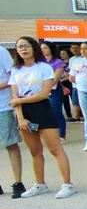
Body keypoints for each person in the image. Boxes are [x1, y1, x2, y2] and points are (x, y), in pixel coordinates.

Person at [9, 37, 76, 200]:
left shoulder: (44, 67)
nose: (23, 49)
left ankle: (67, 184)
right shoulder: (16, 70)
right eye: (20, 47)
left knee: (55, 149)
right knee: (35, 151)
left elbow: (44, 94)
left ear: (33, 48)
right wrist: (21, 117)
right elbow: (14, 96)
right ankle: (40, 184)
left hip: (42, 109)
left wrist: (18, 100)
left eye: (26, 46)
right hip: (23, 113)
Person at [0, 45, 25, 198]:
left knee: (10, 144)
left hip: (4, 107)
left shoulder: (1, 51)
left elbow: (12, 77)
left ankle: (18, 182)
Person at [39, 42, 68, 143]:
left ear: (51, 49)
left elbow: (56, 78)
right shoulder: (40, 62)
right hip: (40, 89)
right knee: (45, 113)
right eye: (41, 48)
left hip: (54, 90)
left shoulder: (57, 62)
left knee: (56, 112)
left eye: (45, 48)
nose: (43, 50)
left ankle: (61, 135)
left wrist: (46, 87)